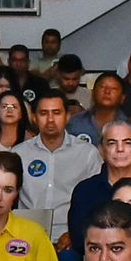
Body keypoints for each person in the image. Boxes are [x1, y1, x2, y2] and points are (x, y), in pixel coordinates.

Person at [68, 119, 131, 257]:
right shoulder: (84, 190)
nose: (120, 149)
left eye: (127, 143)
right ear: (102, 150)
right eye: (112, 143)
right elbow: (80, 241)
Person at [11, 91, 101, 247]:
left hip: (72, 238)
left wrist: (77, 233)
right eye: (44, 113)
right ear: (34, 117)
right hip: (25, 235)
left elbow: (98, 201)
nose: (50, 119)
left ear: (67, 117)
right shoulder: (18, 154)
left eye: (57, 113)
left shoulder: (87, 153)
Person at [68, 71, 128, 147]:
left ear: (122, 98)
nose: (107, 91)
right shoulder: (75, 123)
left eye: (113, 89)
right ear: (93, 92)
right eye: (102, 87)